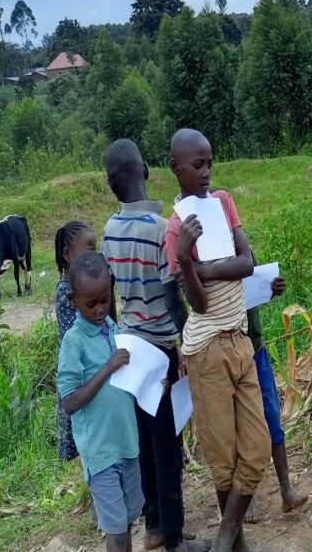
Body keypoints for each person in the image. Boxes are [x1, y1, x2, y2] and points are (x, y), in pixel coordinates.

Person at [101, 139, 210, 552]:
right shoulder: (160, 228)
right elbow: (170, 297)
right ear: (146, 170)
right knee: (168, 447)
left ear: (111, 184)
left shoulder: (110, 229)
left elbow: (111, 294)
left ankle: (152, 527)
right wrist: (186, 336)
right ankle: (175, 539)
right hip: (159, 350)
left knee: (146, 443)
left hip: (128, 347)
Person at [163, 128, 269, 552]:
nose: (206, 172)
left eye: (209, 162)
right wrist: (188, 258)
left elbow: (248, 263)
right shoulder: (176, 229)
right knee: (223, 459)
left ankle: (225, 535)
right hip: (205, 350)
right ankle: (238, 543)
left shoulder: (223, 203)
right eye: (197, 164)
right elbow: (199, 305)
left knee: (256, 448)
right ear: (176, 168)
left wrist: (206, 266)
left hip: (240, 341)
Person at [57, 251, 141, 552]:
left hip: (128, 444)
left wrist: (151, 381)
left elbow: (127, 383)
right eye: (90, 303)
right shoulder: (74, 342)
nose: (99, 309)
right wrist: (107, 367)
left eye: (104, 300)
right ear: (73, 301)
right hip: (101, 453)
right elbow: (69, 401)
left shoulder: (115, 330)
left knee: (128, 520)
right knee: (116, 531)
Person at [243, 267, 308, 522]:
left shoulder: (241, 245)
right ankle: (246, 499)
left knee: (272, 417)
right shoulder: (208, 251)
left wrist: (270, 290)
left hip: (255, 349)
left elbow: (253, 289)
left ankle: (286, 490)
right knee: (240, 426)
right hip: (230, 353)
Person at [54, 220, 97, 463]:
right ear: (68, 254)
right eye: (87, 251)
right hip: (79, 378)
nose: (93, 257)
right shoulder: (66, 292)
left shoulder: (82, 289)